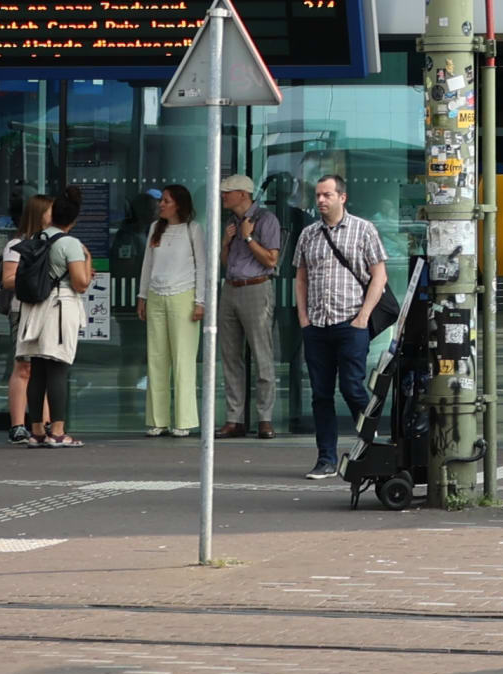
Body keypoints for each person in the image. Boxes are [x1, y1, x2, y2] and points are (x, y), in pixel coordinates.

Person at [290, 172, 388, 482]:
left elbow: (380, 277)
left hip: (350, 323)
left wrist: (362, 318)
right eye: (318, 195)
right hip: (317, 326)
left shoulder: (363, 230)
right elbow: (301, 278)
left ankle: (374, 446)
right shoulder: (308, 234)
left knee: (352, 387)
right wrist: (303, 319)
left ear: (341, 197)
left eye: (327, 195)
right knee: (320, 394)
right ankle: (326, 459)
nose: (320, 200)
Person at [0, 192, 90, 448]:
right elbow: (81, 282)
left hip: (32, 308)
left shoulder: (35, 239)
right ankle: (58, 431)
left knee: (36, 369)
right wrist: (87, 258)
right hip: (59, 308)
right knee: (58, 367)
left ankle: (36, 430)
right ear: (73, 218)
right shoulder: (69, 243)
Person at [216, 176, 284, 439]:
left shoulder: (266, 220)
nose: (223, 196)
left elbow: (271, 259)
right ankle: (235, 418)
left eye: (227, 192)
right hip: (231, 287)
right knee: (230, 356)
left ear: (243, 194)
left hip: (256, 287)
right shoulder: (231, 223)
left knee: (261, 354)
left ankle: (264, 418)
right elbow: (226, 262)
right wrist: (226, 242)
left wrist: (247, 239)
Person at [138, 183, 203, 437]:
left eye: (166, 201)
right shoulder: (155, 228)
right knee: (156, 358)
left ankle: (184, 420)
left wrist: (201, 301)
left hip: (183, 296)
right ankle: (158, 419)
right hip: (156, 295)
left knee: (183, 359)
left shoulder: (193, 229)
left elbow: (202, 267)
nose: (161, 204)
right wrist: (142, 295)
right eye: (161, 201)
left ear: (179, 204)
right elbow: (147, 264)